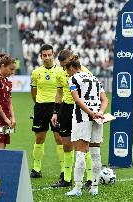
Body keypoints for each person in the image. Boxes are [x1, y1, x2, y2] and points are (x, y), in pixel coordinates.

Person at [64, 55, 108, 196]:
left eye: (67, 71)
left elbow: (76, 100)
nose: (67, 74)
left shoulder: (73, 79)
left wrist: (90, 113)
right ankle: (94, 188)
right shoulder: (95, 78)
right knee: (95, 153)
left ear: (72, 68)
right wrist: (99, 112)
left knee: (81, 153)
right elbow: (105, 100)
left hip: (82, 116)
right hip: (97, 117)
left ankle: (77, 188)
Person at [51, 49, 93, 188]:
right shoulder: (59, 73)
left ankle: (90, 178)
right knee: (66, 144)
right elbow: (59, 93)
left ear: (71, 60)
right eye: (62, 66)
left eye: (65, 65)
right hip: (66, 109)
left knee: (82, 145)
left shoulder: (85, 72)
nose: (64, 69)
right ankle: (67, 179)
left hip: (81, 109)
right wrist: (55, 112)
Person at [30, 44, 64, 178]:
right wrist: (38, 104)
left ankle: (63, 170)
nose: (47, 57)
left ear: (53, 54)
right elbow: (33, 92)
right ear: (41, 56)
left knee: (59, 138)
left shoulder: (61, 71)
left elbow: (62, 91)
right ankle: (36, 169)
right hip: (41, 107)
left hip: (57, 108)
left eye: (49, 54)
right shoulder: (36, 72)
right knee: (39, 138)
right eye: (44, 55)